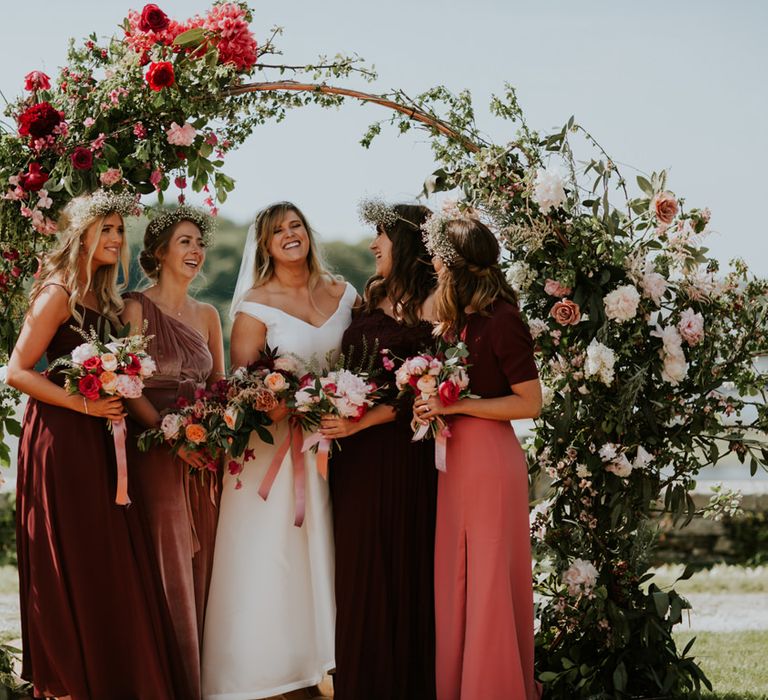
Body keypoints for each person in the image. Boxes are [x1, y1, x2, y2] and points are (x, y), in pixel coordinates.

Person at [7, 190, 192, 700]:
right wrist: (83, 405)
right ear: (81, 234)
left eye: (119, 230)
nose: (115, 238)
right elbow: (18, 371)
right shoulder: (58, 291)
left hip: (107, 440)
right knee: (80, 552)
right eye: (105, 229)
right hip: (64, 440)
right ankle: (72, 679)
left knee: (109, 556)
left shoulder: (107, 300)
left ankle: (117, 675)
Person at [202, 202, 356, 700]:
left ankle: (324, 662)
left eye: (295, 226)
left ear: (307, 233)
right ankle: (264, 669)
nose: (289, 235)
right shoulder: (255, 304)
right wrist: (277, 402)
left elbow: (361, 363)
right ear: (265, 246)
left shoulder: (344, 293)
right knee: (271, 557)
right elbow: (243, 390)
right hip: (273, 453)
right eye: (277, 232)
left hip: (334, 446)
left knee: (326, 550)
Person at [414, 214, 543, 700]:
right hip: (455, 457)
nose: (430, 262)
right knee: (459, 575)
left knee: (487, 573)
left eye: (435, 255)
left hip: (489, 457)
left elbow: (530, 402)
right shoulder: (456, 318)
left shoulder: (503, 318)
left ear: (448, 261)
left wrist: (459, 404)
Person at [320, 202, 438, 700]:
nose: (373, 245)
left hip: (407, 451)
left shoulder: (437, 305)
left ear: (406, 243)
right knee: (359, 566)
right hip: (356, 459)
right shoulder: (367, 302)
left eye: (382, 236)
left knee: (408, 561)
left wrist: (367, 417)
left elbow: (434, 384)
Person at [122, 205, 225, 699]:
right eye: (185, 242)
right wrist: (170, 435)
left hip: (205, 452)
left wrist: (214, 430)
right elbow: (127, 383)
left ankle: (205, 679)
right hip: (155, 448)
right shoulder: (135, 308)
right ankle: (172, 683)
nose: (195, 251)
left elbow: (220, 384)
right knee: (169, 563)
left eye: (199, 244)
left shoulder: (209, 315)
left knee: (205, 561)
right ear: (159, 251)